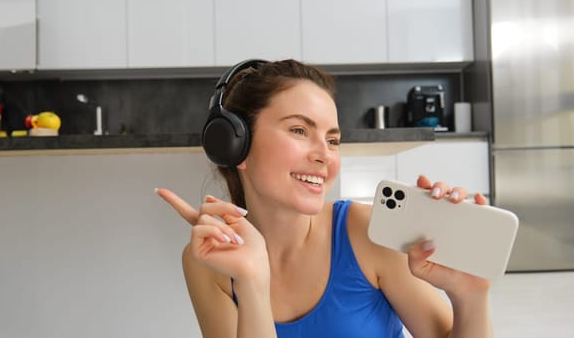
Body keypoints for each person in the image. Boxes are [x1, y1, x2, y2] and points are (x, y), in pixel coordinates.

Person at [156, 59, 493, 338]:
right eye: (299, 130)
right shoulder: (209, 260)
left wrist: (470, 297)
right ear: (236, 145)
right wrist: (252, 282)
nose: (324, 156)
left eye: (332, 140)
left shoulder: (365, 232)